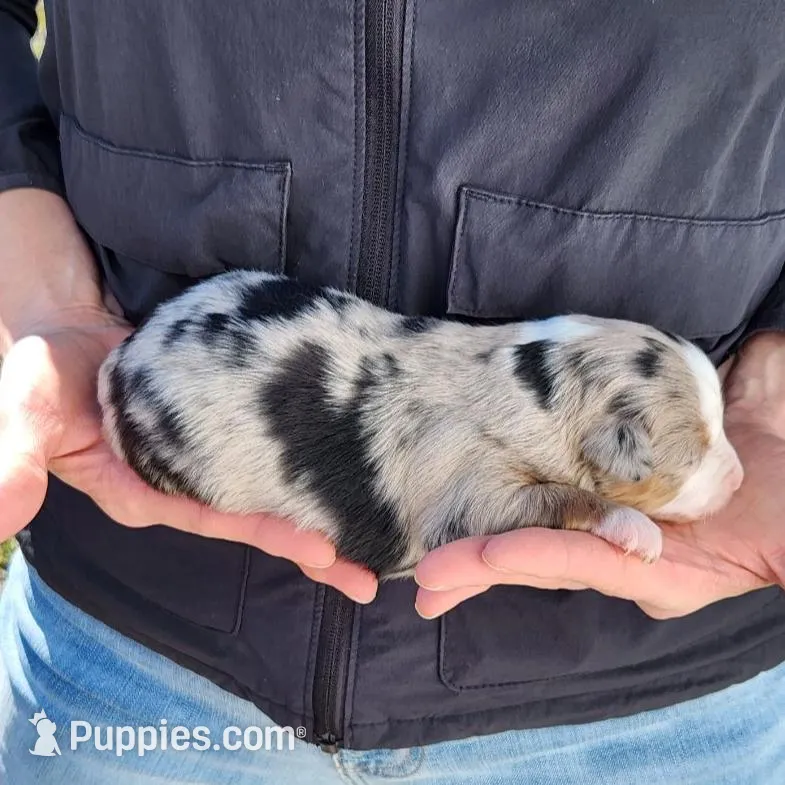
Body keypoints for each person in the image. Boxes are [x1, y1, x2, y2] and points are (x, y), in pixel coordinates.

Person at [1, 1, 784, 783]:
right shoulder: (522, 445)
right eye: (697, 449)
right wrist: (44, 296)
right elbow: (484, 504)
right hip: (137, 632)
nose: (727, 468)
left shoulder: (531, 384)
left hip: (662, 707)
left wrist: (766, 399)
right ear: (605, 450)